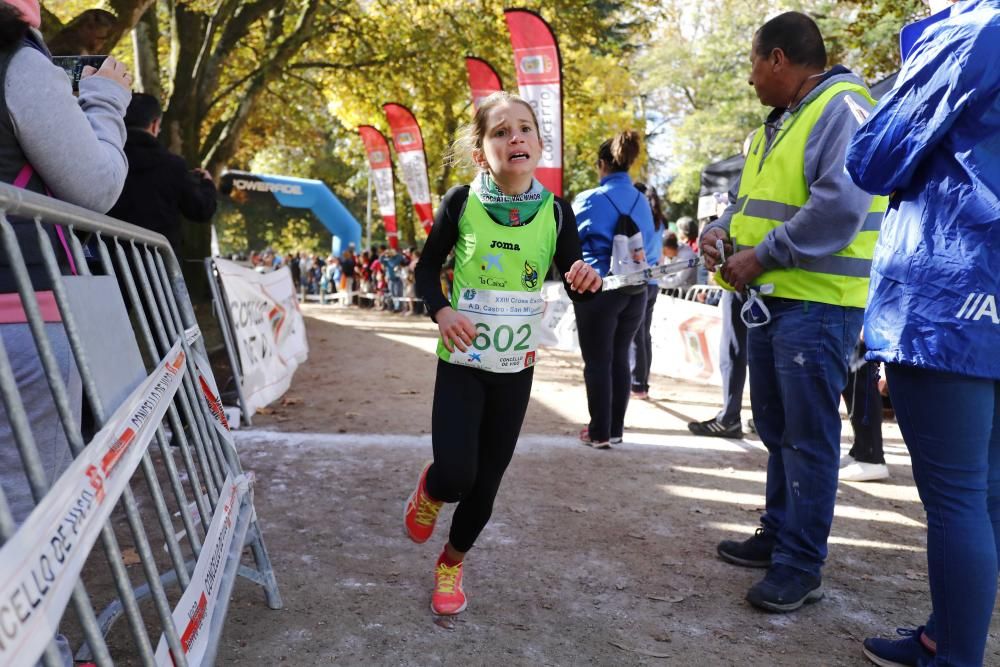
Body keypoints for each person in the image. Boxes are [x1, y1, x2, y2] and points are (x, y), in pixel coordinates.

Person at [701, 11, 888, 613]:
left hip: (818, 303)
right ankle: (779, 534)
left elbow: (841, 206)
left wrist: (763, 256)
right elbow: (751, 202)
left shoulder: (843, 107)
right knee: (779, 430)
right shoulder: (780, 123)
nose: (751, 79)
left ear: (778, 58)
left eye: (754, 64)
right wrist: (720, 231)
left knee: (808, 437)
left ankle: (800, 562)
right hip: (774, 301)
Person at [845, 1, 1000, 664]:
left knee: (960, 497)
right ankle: (946, 632)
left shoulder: (974, 31)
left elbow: (872, 158)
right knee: (987, 490)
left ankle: (957, 655)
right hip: (982, 292)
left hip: (950, 291)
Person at [409, 91, 600, 616]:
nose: (515, 137)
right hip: (463, 362)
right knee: (455, 476)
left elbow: (575, 278)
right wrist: (442, 311)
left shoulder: (558, 212)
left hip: (515, 369)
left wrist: (586, 277)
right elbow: (426, 270)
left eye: (525, 129)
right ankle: (429, 490)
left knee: (485, 487)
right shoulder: (461, 202)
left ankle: (451, 562)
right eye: (500, 131)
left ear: (540, 145)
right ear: (481, 152)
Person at [0, 2, 131, 663]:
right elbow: (96, 184)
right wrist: (105, 101)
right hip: (21, 313)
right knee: (31, 510)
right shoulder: (19, 64)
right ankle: (37, 649)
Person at [572, 131, 655, 447]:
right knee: (621, 357)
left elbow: (568, 240)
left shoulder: (589, 199)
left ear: (601, 165)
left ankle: (598, 432)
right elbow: (651, 246)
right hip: (636, 289)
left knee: (597, 361)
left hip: (599, 288)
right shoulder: (641, 200)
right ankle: (615, 431)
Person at [107, 93, 216, 254]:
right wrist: (207, 185)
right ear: (155, 124)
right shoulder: (172, 166)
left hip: (105, 264)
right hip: (157, 270)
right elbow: (200, 210)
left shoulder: (106, 157)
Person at [629, 182, 665, 400]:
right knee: (644, 334)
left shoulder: (641, 219)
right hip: (654, 281)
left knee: (637, 335)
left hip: (641, 279)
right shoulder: (660, 221)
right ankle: (643, 382)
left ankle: (638, 383)